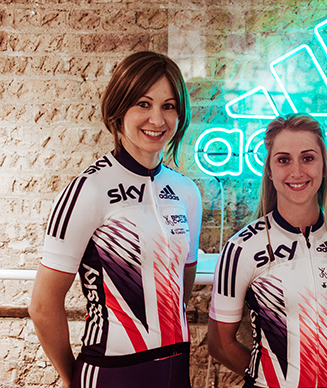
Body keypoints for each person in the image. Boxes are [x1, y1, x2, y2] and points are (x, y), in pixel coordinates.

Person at [28, 51, 202, 388]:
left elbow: (182, 285)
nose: (157, 119)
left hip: (176, 368)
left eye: (168, 106)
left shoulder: (186, 192)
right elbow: (42, 306)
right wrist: (70, 376)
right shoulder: (88, 190)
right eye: (143, 103)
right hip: (110, 371)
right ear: (119, 109)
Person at [208, 114, 327, 388]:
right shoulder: (241, 247)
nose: (297, 172)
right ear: (269, 171)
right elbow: (220, 345)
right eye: (283, 160)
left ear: (324, 166)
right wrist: (271, 376)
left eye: (308, 158)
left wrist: (319, 366)